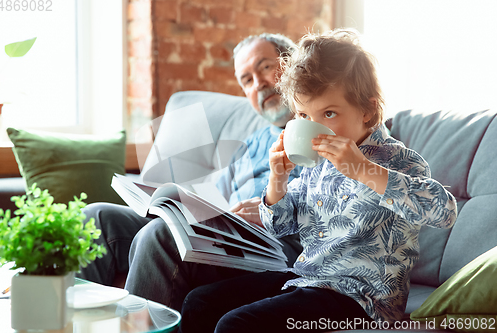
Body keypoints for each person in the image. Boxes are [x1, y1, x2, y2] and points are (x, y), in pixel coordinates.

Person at [178, 29, 458, 333]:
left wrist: (363, 170)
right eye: (304, 116)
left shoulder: (397, 160)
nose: (315, 128)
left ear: (368, 110)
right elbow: (280, 227)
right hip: (305, 281)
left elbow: (444, 212)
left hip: (362, 301)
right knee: (198, 302)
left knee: (237, 325)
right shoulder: (316, 166)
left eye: (328, 113)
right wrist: (278, 180)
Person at [78, 33, 304, 310]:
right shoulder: (254, 141)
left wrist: (275, 210)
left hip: (273, 248)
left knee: (161, 236)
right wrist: (172, 204)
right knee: (96, 217)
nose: (259, 84)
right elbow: (215, 198)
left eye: (266, 67)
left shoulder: (320, 132)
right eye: (247, 80)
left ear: (292, 63)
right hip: (226, 234)